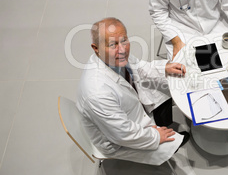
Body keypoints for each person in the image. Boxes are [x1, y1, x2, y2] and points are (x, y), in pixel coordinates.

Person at [76, 17, 189, 166]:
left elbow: (139, 68)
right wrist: (155, 136)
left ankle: (164, 123)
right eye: (112, 44)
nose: (122, 50)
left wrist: (164, 69)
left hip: (126, 111)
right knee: (169, 141)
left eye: (124, 40)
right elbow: (122, 134)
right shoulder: (97, 92)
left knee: (164, 87)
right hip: (117, 139)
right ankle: (166, 135)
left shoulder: (113, 57)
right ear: (95, 48)